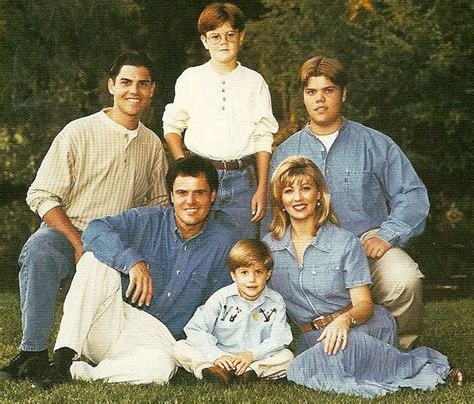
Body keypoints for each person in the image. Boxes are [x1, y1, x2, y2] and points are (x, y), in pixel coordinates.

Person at [0, 51, 169, 381]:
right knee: (39, 250)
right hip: (70, 231)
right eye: (125, 82)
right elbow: (42, 194)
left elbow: (159, 204)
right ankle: (32, 354)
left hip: (119, 239)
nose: (133, 90)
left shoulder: (151, 144)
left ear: (151, 90)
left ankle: (96, 353)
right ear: (111, 86)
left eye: (142, 84)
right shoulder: (78, 132)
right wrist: (78, 243)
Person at [262, 156, 464, 397]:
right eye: (289, 191)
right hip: (312, 337)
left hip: (359, 326)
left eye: (306, 189)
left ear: (319, 196)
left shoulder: (345, 242)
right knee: (314, 362)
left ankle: (431, 366)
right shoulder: (269, 247)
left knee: (305, 368)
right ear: (281, 201)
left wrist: (344, 321)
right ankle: (401, 363)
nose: (298, 198)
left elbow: (364, 305)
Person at [36, 155, 238, 387]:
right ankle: (61, 360)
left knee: (160, 369)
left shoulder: (224, 244)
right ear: (171, 196)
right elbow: (95, 230)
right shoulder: (147, 220)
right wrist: (132, 261)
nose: (190, 201)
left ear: (212, 196)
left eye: (199, 192)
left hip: (160, 339)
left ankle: (80, 372)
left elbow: (219, 307)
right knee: (94, 260)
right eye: (182, 192)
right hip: (113, 321)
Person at [270, 56, 428, 349]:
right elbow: (275, 211)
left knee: (405, 278)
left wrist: (388, 233)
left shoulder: (375, 143)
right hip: (311, 248)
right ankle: (301, 349)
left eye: (328, 90)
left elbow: (413, 195)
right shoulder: (286, 152)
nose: (320, 100)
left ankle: (399, 349)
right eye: (311, 92)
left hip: (366, 244)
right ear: (303, 97)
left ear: (343, 93)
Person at [163, 2, 278, 239]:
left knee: (241, 251)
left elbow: (263, 138)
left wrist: (261, 189)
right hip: (201, 177)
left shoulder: (254, 82)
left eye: (230, 35)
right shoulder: (191, 78)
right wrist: (184, 166)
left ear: (241, 37)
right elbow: (172, 127)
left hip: (242, 181)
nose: (223, 42)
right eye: (215, 36)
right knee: (198, 245)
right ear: (205, 41)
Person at [174, 239, 293, 386]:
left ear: (268, 274)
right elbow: (195, 329)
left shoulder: (275, 301)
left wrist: (252, 355)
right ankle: (212, 370)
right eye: (244, 272)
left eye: (258, 272)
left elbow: (280, 338)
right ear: (233, 275)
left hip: (254, 358)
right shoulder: (221, 298)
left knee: (287, 357)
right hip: (222, 355)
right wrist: (216, 356)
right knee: (180, 347)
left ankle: (250, 372)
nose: (252, 279)